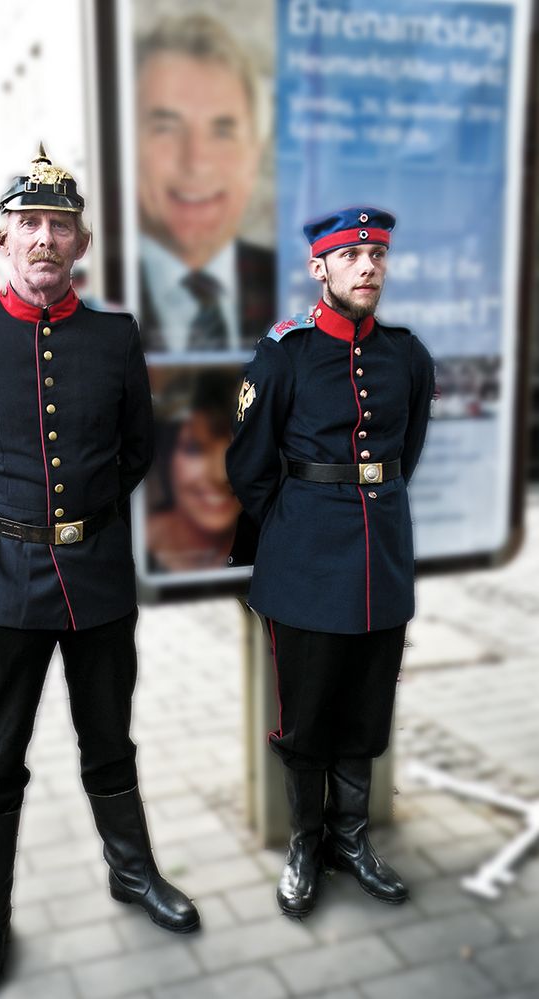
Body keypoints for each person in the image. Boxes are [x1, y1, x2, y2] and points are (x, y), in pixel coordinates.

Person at [0, 146, 199, 990]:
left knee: (110, 737)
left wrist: (83, 524)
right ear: (2, 239)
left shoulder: (113, 337)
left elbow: (138, 446)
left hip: (100, 577)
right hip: (0, 585)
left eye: (59, 225)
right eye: (29, 224)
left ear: (81, 243)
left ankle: (131, 868)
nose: (44, 238)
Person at [226, 207, 434, 918]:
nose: (368, 265)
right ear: (319, 268)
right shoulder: (285, 352)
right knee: (306, 718)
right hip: (305, 564)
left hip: (380, 561)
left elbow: (404, 456)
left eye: (376, 253)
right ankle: (304, 846)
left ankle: (352, 839)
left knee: (366, 710)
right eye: (351, 255)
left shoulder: (405, 355)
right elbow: (249, 465)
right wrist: (292, 531)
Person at [136, 14, 275, 351]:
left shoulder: (301, 293)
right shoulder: (81, 299)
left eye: (223, 131)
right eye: (166, 128)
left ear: (254, 154)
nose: (197, 162)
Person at [147, 369, 241, 570]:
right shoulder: (137, 557)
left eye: (235, 448)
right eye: (195, 449)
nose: (220, 474)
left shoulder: (271, 546)